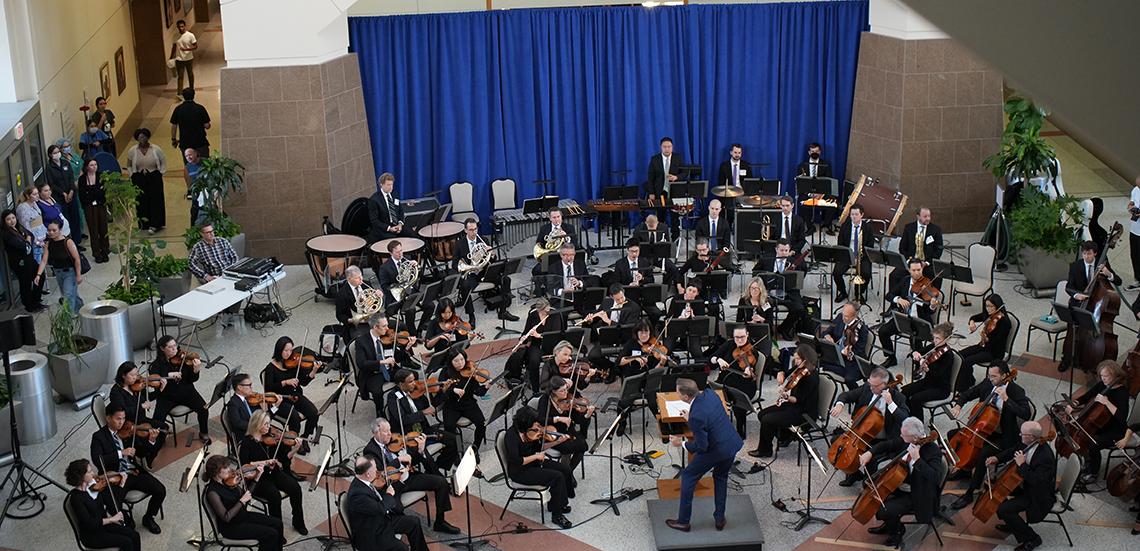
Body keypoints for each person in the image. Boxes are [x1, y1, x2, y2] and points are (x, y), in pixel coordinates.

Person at [665, 377, 744, 532]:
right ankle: (720, 519)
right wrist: (691, 419)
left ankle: (683, 521)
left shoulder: (696, 416)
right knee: (721, 477)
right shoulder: (710, 394)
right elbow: (710, 420)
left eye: (678, 392)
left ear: (686, 397)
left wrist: (680, 443)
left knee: (688, 476)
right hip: (731, 444)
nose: (676, 394)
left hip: (715, 450)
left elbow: (702, 446)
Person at [362, 418, 461, 535]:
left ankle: (440, 522)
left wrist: (420, 449)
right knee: (396, 508)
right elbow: (380, 474)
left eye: (390, 430)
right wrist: (398, 460)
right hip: (392, 486)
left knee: (441, 482)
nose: (390, 434)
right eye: (386, 431)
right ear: (376, 433)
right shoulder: (370, 451)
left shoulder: (394, 441)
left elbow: (412, 460)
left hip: (408, 478)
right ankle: (396, 532)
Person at [945, 362, 1030, 491]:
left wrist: (1007, 399)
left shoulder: (1015, 391)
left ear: (1004, 375)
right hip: (982, 429)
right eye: (989, 376)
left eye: (994, 376)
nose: (990, 379)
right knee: (953, 434)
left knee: (984, 453)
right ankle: (965, 470)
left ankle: (972, 490)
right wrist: (958, 405)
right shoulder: (988, 383)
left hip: (1003, 434)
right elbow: (968, 393)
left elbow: (1026, 413)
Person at [859, 417, 942, 547]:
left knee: (884, 510)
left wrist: (918, 460)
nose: (900, 436)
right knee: (869, 487)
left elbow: (935, 477)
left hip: (917, 493)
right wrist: (870, 453)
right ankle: (890, 524)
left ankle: (897, 532)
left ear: (915, 437)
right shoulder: (906, 440)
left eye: (903, 435)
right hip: (901, 484)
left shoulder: (933, 451)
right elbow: (888, 444)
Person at [90, 403, 167, 534]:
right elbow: (98, 460)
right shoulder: (98, 437)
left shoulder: (127, 432)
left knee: (160, 490)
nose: (122, 422)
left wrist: (151, 440)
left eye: (123, 418)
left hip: (132, 472)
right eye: (118, 419)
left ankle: (148, 518)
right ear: (108, 418)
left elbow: (142, 453)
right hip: (113, 476)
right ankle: (126, 519)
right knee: (114, 506)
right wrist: (121, 453)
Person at [829, 367, 909, 486]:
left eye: (875, 386)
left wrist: (891, 404)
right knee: (836, 441)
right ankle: (854, 473)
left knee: (872, 459)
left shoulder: (898, 398)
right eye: (870, 384)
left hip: (883, 440)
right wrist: (840, 404)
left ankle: (870, 481)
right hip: (862, 434)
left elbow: (905, 419)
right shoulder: (867, 388)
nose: (871, 388)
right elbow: (847, 395)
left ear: (884, 384)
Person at [503, 406, 574, 529]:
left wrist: (557, 442)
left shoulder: (531, 431)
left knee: (565, 469)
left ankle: (555, 503)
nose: (537, 426)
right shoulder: (511, 436)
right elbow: (517, 461)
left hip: (532, 463)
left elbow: (538, 448)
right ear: (525, 424)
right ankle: (557, 515)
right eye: (534, 423)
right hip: (520, 471)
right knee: (557, 477)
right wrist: (536, 457)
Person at [238, 411, 308, 534]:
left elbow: (285, 458)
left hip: (273, 473)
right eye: (265, 424)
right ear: (256, 425)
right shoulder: (246, 443)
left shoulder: (271, 439)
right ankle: (277, 530)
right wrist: (265, 462)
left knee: (295, 488)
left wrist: (296, 448)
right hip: (258, 478)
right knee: (274, 496)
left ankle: (298, 522)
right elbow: (245, 466)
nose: (269, 427)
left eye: (269, 424)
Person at [992, 421, 1057, 551]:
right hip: (1025, 484)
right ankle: (1012, 523)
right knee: (996, 491)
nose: (1019, 434)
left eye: (1022, 433)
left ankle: (1032, 538)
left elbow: (1036, 481)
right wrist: (997, 458)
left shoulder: (1045, 457)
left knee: (1005, 509)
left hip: (1037, 494)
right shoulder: (1028, 442)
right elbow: (1013, 450)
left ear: (1032, 437)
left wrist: (1022, 465)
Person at [346, 455, 430, 551]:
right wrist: (389, 494)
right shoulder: (357, 495)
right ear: (368, 474)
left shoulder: (364, 480)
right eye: (375, 469)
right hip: (372, 534)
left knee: (413, 522)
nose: (378, 471)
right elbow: (380, 509)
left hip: (381, 521)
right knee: (402, 548)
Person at [1066, 360, 1130, 484]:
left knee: (1093, 443)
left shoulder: (1122, 392)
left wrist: (1107, 402)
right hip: (1101, 424)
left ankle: (1093, 472)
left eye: (1106, 376)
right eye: (1101, 376)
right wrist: (1075, 403)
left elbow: (1122, 417)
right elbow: (1087, 395)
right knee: (1083, 435)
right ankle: (1088, 461)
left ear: (1115, 375)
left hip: (1116, 430)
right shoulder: (1102, 385)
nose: (1103, 379)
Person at [201, 455, 284, 551]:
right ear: (216, 472)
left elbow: (246, 496)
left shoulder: (227, 481)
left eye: (228, 466)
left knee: (278, 523)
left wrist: (256, 478)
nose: (229, 470)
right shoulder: (212, 492)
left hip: (243, 516)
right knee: (271, 534)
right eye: (225, 468)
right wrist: (241, 501)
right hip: (232, 527)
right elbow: (226, 517)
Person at [1062, 240, 1123, 372]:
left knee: (1092, 334)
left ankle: (1090, 360)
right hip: (1079, 304)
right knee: (1072, 332)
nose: (1086, 256)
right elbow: (1069, 287)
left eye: (1089, 254)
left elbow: (1118, 281)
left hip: (1096, 308)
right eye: (1084, 253)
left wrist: (1109, 274)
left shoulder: (1102, 266)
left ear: (1095, 253)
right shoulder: (1075, 266)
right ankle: (1066, 358)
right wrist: (1076, 295)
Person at [750, 344, 819, 458]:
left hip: (804, 412)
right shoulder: (799, 368)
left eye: (798, 359)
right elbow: (785, 373)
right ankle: (786, 436)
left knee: (767, 420)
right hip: (793, 406)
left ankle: (765, 450)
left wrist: (786, 396)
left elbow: (797, 399)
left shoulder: (811, 378)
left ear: (806, 359)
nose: (795, 361)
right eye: (795, 358)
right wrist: (780, 374)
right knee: (761, 414)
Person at [384, 369, 458, 471]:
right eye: (410, 382)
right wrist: (422, 413)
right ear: (401, 384)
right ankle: (435, 474)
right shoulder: (393, 397)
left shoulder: (416, 391)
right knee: (426, 458)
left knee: (453, 440)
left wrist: (443, 392)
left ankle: (440, 465)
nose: (414, 383)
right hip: (408, 435)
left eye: (414, 380)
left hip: (423, 429)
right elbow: (403, 419)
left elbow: (431, 406)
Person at [63, 458, 141, 551]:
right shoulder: (76, 499)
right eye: (90, 471)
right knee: (127, 542)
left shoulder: (93, 488)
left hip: (103, 525)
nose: (93, 473)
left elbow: (109, 502)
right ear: (81, 476)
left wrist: (121, 483)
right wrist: (112, 519)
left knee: (135, 535)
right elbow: (89, 523)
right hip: (92, 535)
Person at [149, 335, 212, 445]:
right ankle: (157, 441)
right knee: (157, 420)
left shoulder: (184, 359)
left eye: (175, 346)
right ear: (162, 348)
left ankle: (203, 433)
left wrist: (196, 371)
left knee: (204, 409)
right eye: (170, 347)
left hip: (186, 392)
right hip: (167, 396)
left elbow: (192, 379)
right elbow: (154, 378)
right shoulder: (156, 365)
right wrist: (168, 375)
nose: (175, 349)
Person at [453, 218, 517, 322]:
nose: (474, 232)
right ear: (465, 230)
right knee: (465, 287)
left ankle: (503, 311)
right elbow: (454, 264)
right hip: (471, 274)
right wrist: (466, 267)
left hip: (484, 271)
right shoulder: (459, 244)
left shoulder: (483, 240)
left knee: (506, 279)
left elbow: (490, 261)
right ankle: (471, 316)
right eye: (471, 230)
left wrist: (492, 255)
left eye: (475, 229)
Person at [264, 336, 322, 450]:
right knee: (294, 418)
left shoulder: (293, 363)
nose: (289, 353)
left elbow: (304, 382)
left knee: (314, 413)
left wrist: (314, 370)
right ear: (279, 350)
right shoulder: (270, 368)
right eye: (286, 350)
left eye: (291, 350)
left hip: (295, 396)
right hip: (280, 400)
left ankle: (304, 438)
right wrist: (285, 382)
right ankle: (293, 442)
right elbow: (268, 388)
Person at [107, 362, 168, 466]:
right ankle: (146, 454)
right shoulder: (116, 392)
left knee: (164, 428)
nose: (136, 377)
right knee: (146, 441)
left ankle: (151, 454)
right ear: (123, 375)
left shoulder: (136, 386)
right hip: (128, 425)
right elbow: (122, 411)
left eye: (137, 374)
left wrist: (160, 391)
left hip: (140, 419)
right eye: (132, 375)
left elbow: (149, 397)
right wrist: (141, 407)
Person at [878, 259, 935, 368]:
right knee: (883, 331)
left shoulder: (927, 284)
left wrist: (932, 305)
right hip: (904, 318)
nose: (917, 273)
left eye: (919, 270)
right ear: (909, 270)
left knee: (915, 339)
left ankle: (919, 364)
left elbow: (929, 311)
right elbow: (889, 295)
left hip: (920, 320)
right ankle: (890, 357)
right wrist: (898, 299)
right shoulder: (905, 281)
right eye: (914, 270)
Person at [354, 315, 417, 415]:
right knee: (377, 392)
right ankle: (380, 411)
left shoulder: (388, 338)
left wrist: (407, 347)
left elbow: (397, 358)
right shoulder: (361, 341)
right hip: (373, 373)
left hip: (389, 370)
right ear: (375, 327)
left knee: (412, 375)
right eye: (384, 326)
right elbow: (361, 364)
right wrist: (382, 362)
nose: (388, 329)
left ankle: (407, 402)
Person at [710, 326, 760, 437]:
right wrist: (719, 360)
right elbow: (712, 358)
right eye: (737, 337)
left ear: (747, 334)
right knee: (707, 393)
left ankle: (740, 431)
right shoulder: (729, 344)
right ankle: (712, 423)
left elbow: (750, 366)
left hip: (744, 385)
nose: (740, 340)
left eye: (742, 337)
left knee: (738, 399)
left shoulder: (752, 350)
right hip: (725, 380)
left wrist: (748, 370)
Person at [438, 349, 490, 457]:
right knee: (449, 427)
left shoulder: (470, 369)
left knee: (481, 424)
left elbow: (478, 392)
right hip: (451, 405)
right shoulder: (445, 372)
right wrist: (453, 390)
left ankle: (475, 449)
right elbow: (441, 390)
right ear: (450, 361)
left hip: (468, 403)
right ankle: (454, 454)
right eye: (456, 361)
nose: (460, 363)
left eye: (462, 359)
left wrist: (486, 387)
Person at [535, 375, 591, 473]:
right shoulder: (544, 400)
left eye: (566, 389)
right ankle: (566, 473)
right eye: (562, 391)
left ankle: (568, 471)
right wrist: (558, 419)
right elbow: (540, 420)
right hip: (553, 433)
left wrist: (587, 415)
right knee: (568, 448)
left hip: (568, 430)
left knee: (583, 446)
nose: (566, 393)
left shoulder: (568, 400)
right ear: (553, 391)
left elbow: (578, 420)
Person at [900, 322, 955, 420]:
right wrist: (915, 353)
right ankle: (908, 418)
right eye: (934, 337)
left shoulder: (948, 355)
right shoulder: (934, 346)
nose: (935, 341)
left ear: (947, 339)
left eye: (938, 338)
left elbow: (939, 375)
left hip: (941, 388)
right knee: (904, 391)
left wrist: (927, 369)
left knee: (916, 399)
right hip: (928, 382)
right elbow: (921, 351)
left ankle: (918, 425)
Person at [508, 298, 564, 392]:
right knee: (533, 361)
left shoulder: (554, 314)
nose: (546, 313)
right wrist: (523, 338)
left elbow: (556, 334)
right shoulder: (533, 315)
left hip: (552, 344)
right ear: (539, 310)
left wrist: (540, 335)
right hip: (536, 345)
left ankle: (557, 384)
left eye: (547, 310)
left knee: (557, 359)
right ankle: (535, 388)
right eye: (543, 311)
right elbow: (526, 331)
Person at [956, 294, 1011, 390]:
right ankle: (969, 380)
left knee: (968, 361)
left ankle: (962, 388)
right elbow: (975, 317)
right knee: (960, 355)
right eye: (986, 306)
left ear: (997, 306)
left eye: (991, 306)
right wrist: (972, 322)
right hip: (983, 346)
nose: (988, 309)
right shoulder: (989, 315)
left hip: (994, 352)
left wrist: (985, 338)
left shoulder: (1004, 322)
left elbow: (997, 342)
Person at [756, 238, 808, 339]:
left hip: (789, 293)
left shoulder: (794, 262)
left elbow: (803, 272)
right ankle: (768, 330)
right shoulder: (766, 259)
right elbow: (756, 273)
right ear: (776, 249)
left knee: (799, 309)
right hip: (769, 293)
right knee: (764, 306)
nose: (784, 253)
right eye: (781, 250)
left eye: (786, 251)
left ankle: (784, 328)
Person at [124, 128, 167, 233]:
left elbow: (163, 161)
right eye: (139, 137)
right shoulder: (132, 151)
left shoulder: (156, 149)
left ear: (147, 137)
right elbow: (129, 164)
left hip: (154, 176)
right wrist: (132, 174)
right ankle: (144, 224)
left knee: (156, 199)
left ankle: (156, 223)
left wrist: (160, 172)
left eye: (143, 137)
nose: (141, 139)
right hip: (139, 177)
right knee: (141, 200)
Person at [34, 220, 83, 311]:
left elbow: (77, 259)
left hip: (70, 272)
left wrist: (78, 274)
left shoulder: (68, 242)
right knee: (71, 294)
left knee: (67, 296)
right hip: (58, 272)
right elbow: (44, 260)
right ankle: (80, 310)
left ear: (60, 230)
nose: (51, 233)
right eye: (49, 230)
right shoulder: (49, 244)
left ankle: (69, 317)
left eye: (54, 230)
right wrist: (38, 274)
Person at [2, 208, 44, 312]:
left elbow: (31, 235)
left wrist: (28, 240)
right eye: (8, 219)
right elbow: (24, 247)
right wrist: (27, 241)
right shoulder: (7, 234)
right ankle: (29, 305)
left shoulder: (18, 228)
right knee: (26, 283)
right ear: (4, 221)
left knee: (40, 276)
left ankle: (36, 301)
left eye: (13, 217)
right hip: (21, 263)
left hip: (29, 259)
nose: (12, 221)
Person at [833, 203, 876, 303]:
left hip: (863, 256)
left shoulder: (868, 228)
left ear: (862, 215)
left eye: (856, 214)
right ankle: (843, 292)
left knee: (866, 273)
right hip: (847, 256)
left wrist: (859, 258)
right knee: (836, 272)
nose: (854, 217)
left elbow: (870, 246)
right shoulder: (845, 226)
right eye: (852, 214)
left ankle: (859, 292)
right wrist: (849, 256)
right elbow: (841, 244)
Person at [821, 302, 869, 388]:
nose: (843, 318)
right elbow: (827, 331)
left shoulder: (862, 330)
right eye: (843, 314)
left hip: (851, 361)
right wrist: (827, 336)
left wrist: (847, 352)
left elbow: (858, 351)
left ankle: (856, 394)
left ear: (854, 316)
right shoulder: (840, 317)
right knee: (812, 359)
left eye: (846, 316)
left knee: (849, 379)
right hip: (835, 355)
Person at [531, 208, 579, 294]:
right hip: (550, 257)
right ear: (550, 218)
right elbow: (539, 243)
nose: (557, 219)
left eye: (558, 217)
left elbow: (575, 245)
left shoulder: (569, 228)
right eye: (554, 217)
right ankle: (541, 291)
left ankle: (559, 288)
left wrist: (566, 238)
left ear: (561, 217)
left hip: (565, 258)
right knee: (536, 270)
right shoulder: (544, 228)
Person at [894, 207, 943, 288]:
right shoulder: (909, 228)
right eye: (925, 216)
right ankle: (896, 299)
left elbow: (938, 250)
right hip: (911, 261)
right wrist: (910, 261)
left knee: (937, 277)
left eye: (929, 216)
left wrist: (926, 263)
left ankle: (933, 298)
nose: (928, 218)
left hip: (927, 263)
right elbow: (902, 248)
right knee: (894, 275)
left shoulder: (936, 229)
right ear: (918, 216)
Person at [646, 136, 684, 235]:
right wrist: (651, 192)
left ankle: (675, 235)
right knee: (660, 215)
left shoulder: (678, 158)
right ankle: (661, 235)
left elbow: (684, 173)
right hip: (660, 192)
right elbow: (650, 178)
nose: (667, 149)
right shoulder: (655, 159)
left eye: (669, 147)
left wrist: (676, 177)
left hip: (674, 192)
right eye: (664, 147)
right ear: (661, 147)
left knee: (674, 216)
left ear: (672, 147)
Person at [796, 142, 836, 233]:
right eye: (812, 151)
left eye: (817, 151)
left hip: (822, 193)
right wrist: (811, 194)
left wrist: (820, 194)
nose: (815, 153)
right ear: (809, 153)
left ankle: (826, 225)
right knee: (801, 201)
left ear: (820, 152)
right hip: (808, 193)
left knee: (833, 201)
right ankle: (810, 227)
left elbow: (829, 181)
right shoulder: (802, 166)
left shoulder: (826, 165)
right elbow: (801, 184)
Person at [76, 158, 110, 262]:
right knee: (93, 229)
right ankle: (97, 253)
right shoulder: (82, 179)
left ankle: (105, 250)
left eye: (95, 164)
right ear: (87, 167)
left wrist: (94, 194)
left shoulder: (101, 176)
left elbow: (103, 192)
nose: (94, 167)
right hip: (89, 206)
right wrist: (93, 195)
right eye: (91, 165)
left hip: (100, 205)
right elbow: (82, 194)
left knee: (103, 228)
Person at [367, 173, 416, 243]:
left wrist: (400, 224)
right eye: (388, 185)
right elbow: (374, 220)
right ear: (381, 184)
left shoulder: (394, 194)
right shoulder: (374, 200)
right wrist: (389, 228)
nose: (391, 187)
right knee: (395, 243)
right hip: (384, 229)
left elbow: (400, 211)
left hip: (397, 225)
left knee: (414, 235)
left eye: (392, 184)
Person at [170, 88, 211, 157]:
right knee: (204, 164)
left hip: (185, 143)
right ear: (194, 95)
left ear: (183, 96)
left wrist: (174, 139)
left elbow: (174, 125)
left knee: (189, 165)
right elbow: (207, 126)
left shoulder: (178, 109)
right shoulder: (200, 108)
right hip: (200, 141)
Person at [225, 372, 268, 437]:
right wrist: (257, 426)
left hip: (258, 431)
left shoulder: (250, 399)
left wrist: (273, 408)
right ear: (239, 387)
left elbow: (261, 416)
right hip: (247, 436)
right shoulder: (233, 403)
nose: (251, 387)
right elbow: (238, 423)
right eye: (249, 385)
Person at [335, 265, 371, 340]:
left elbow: (375, 302)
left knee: (394, 327)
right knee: (363, 339)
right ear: (349, 279)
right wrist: (351, 320)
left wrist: (378, 295)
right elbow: (339, 315)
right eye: (357, 278)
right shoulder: (342, 294)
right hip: (356, 324)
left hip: (372, 318)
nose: (361, 279)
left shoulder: (366, 284)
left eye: (361, 276)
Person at [173, 20, 198, 92]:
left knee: (190, 74)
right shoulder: (175, 36)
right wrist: (171, 57)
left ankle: (191, 89)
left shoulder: (190, 35)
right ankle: (180, 92)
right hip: (179, 59)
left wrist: (186, 49)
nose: (181, 28)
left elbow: (196, 46)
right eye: (179, 27)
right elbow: (174, 47)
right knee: (180, 76)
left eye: (182, 26)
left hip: (188, 58)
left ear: (185, 26)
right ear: (177, 27)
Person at [184, 147, 206, 221]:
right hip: (196, 192)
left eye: (190, 155)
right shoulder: (187, 167)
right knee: (194, 212)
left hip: (207, 191)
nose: (188, 157)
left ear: (196, 154)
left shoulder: (205, 162)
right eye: (186, 156)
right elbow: (188, 183)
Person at [1129, 175, 1140, 290]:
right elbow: (1132, 202)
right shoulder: (1136, 190)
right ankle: (1138, 279)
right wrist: (1131, 207)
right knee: (1135, 255)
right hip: (1135, 229)